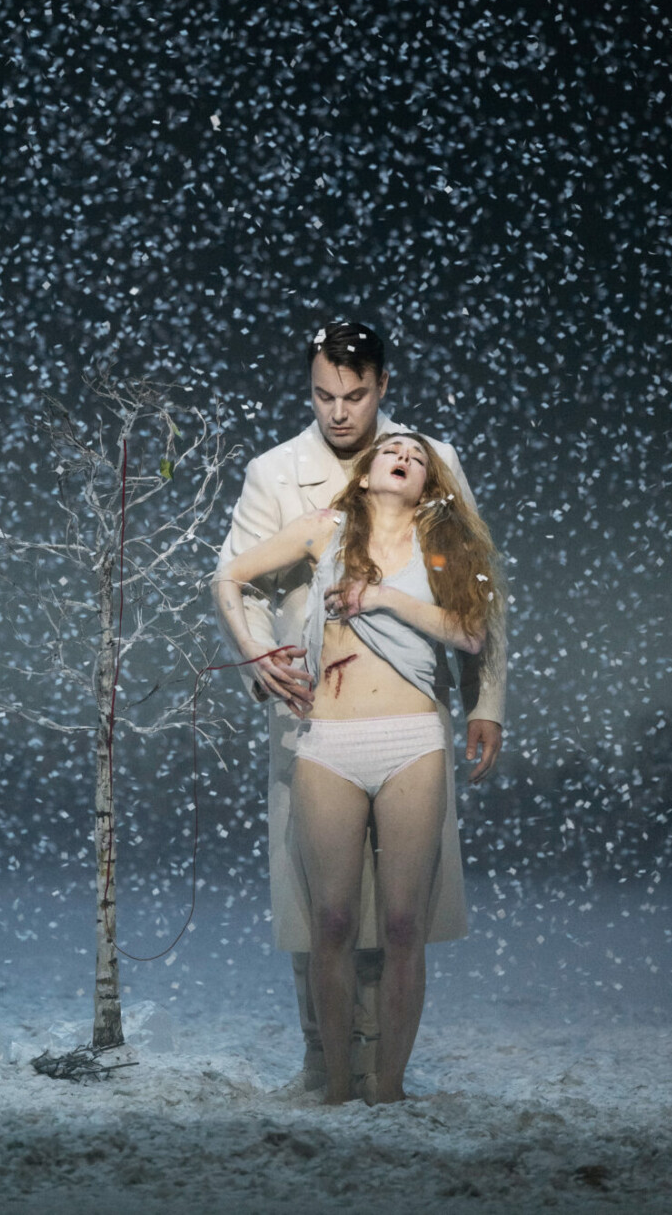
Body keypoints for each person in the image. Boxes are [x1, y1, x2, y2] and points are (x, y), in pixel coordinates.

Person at [215, 320, 506, 1096]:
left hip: (410, 711)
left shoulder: (429, 459)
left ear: (383, 387)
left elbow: (477, 584)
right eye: (321, 394)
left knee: (401, 916)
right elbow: (230, 578)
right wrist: (258, 662)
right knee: (323, 916)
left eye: (355, 394)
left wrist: (490, 701)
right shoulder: (275, 474)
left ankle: (384, 1071)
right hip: (312, 713)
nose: (337, 412)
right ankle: (325, 1066)